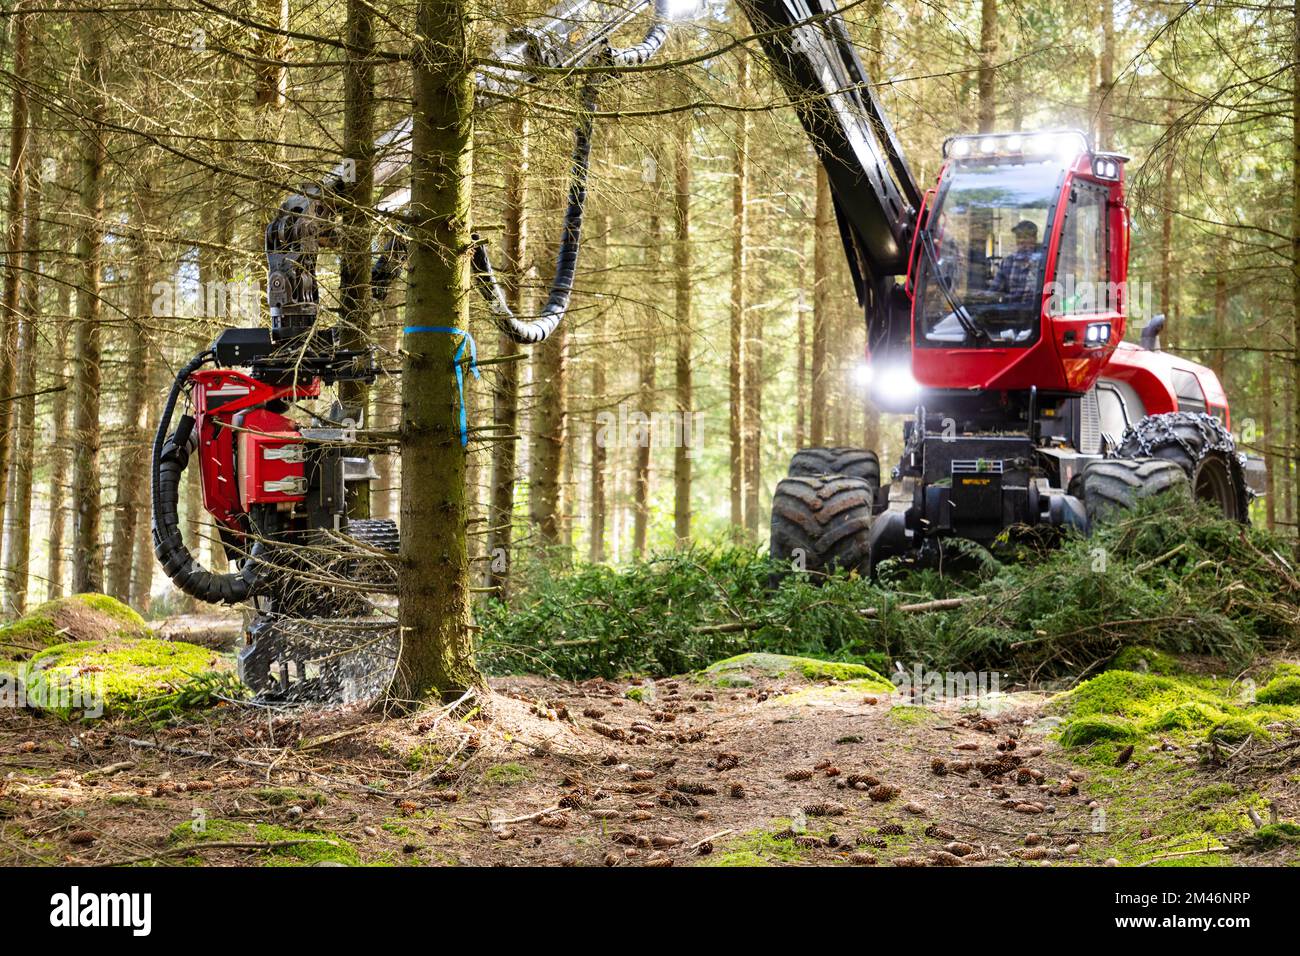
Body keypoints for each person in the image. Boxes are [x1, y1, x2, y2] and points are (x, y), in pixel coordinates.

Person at [988, 219, 1042, 299]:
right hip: (1012, 309)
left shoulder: (1043, 261)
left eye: (1026, 237)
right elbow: (995, 290)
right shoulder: (1008, 262)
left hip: (1036, 309)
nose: (1022, 241)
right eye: (1019, 237)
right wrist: (983, 295)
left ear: (1034, 239)